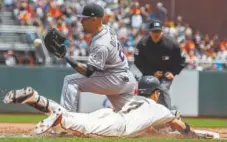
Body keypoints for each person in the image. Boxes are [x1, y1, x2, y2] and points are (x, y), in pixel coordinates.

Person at [3, 76, 219, 139]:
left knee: (78, 121)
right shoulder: (159, 108)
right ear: (155, 94)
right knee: (78, 128)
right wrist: (194, 135)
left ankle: (37, 99)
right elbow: (180, 126)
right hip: (118, 127)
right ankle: (60, 119)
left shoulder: (134, 101)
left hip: (110, 115)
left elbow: (152, 129)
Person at [44, 3, 137, 112]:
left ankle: (66, 121)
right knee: (130, 116)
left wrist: (66, 56)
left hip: (114, 78)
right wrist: (67, 42)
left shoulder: (101, 44)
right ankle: (150, 126)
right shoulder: (107, 29)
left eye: (85, 19)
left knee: (70, 81)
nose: (81, 22)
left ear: (94, 19)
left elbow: (88, 72)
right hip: (126, 79)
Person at [134, 19, 185, 110]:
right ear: (150, 32)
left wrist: (173, 72)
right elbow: (138, 61)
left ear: (162, 32)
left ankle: (167, 117)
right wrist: (151, 73)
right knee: (145, 92)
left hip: (166, 74)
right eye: (154, 31)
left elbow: (181, 60)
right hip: (149, 74)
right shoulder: (143, 43)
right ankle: (146, 117)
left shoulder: (171, 43)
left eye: (158, 31)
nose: (156, 34)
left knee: (162, 89)